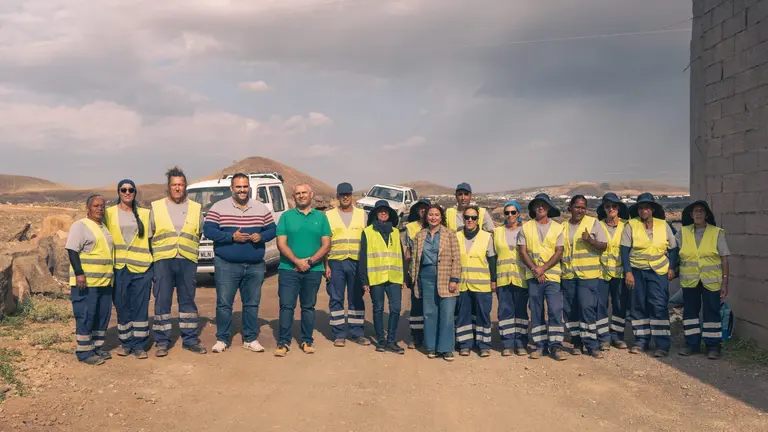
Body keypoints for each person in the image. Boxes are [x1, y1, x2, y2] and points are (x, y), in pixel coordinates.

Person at [204, 173, 276, 354]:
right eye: (238, 187)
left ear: (249, 188)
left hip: (254, 265)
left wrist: (262, 236)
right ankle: (222, 339)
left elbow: (273, 229)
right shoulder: (219, 207)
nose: (242, 190)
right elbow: (208, 230)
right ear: (232, 188)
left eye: (245, 187)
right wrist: (230, 237)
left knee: (251, 304)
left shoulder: (260, 208)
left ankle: (250, 338)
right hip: (226, 264)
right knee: (224, 303)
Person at [149, 166, 207, 357]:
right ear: (168, 187)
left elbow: (198, 232)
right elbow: (151, 235)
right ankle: (162, 341)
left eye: (181, 185)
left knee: (188, 301)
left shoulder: (196, 208)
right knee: (162, 302)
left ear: (185, 187)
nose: (177, 188)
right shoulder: (156, 207)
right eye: (174, 185)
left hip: (187, 260)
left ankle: (190, 339)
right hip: (163, 261)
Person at [274, 184, 332, 357]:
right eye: (298, 193)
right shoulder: (286, 217)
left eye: (304, 192)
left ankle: (307, 340)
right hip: (288, 269)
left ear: (311, 194)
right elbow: (281, 243)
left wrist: (310, 261)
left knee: (308, 307)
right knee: (286, 306)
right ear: (294, 196)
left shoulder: (321, 218)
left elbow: (326, 244)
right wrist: (297, 261)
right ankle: (283, 343)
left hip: (313, 270)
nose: (301, 196)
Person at [621, 192, 678, 357]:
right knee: (638, 306)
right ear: (637, 210)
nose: (643, 211)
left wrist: (672, 268)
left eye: (646, 207)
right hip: (637, 271)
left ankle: (662, 345)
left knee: (658, 306)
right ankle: (641, 341)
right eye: (640, 208)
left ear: (652, 209)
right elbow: (624, 251)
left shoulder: (663, 225)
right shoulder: (631, 225)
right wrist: (628, 273)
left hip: (658, 272)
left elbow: (673, 249)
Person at [104, 180, 152, 359]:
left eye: (130, 190)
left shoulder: (146, 215)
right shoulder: (109, 213)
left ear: (135, 192)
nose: (127, 192)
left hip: (141, 267)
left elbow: (151, 241)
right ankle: (126, 343)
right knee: (122, 306)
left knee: (140, 307)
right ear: (118, 192)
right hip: (119, 268)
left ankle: (139, 345)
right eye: (123, 190)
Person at [676, 200, 729, 360]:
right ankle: (692, 344)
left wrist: (725, 282)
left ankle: (713, 346)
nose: (698, 214)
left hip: (711, 281)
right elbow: (673, 252)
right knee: (690, 312)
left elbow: (724, 259)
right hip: (690, 280)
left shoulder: (716, 232)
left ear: (706, 214)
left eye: (701, 211)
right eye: (695, 211)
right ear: (691, 215)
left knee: (712, 312)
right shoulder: (682, 232)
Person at [65, 195, 114, 365]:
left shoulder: (104, 228)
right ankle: (84, 352)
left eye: (102, 205)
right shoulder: (80, 226)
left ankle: (97, 347)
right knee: (85, 316)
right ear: (88, 207)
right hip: (86, 283)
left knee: (102, 316)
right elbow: (72, 250)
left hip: (105, 282)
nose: (99, 208)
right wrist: (79, 272)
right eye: (96, 205)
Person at [409, 204, 461, 361]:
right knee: (429, 313)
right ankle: (431, 347)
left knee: (447, 313)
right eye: (430, 214)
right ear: (426, 217)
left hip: (446, 277)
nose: (433, 217)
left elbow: (457, 259)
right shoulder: (420, 235)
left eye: (436, 215)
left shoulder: (450, 234)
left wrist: (454, 279)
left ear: (441, 217)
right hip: (426, 277)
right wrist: (414, 278)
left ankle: (446, 349)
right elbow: (415, 260)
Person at [518, 193, 567, 361]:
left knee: (554, 310)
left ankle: (555, 346)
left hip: (552, 277)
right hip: (533, 277)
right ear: (532, 208)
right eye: (537, 205)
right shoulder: (525, 227)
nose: (540, 207)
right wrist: (535, 269)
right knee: (536, 311)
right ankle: (539, 346)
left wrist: (543, 268)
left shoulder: (558, 227)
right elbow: (522, 251)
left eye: (543, 205)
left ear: (549, 208)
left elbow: (559, 251)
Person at [560, 195, 607, 359]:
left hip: (588, 275)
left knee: (587, 308)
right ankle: (576, 342)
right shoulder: (563, 227)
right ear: (570, 208)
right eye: (577, 207)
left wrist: (591, 241)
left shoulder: (593, 223)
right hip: (568, 275)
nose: (580, 210)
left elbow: (604, 245)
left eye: (583, 207)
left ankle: (592, 344)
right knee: (570, 310)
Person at [358, 200, 407, 354]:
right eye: (380, 211)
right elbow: (363, 256)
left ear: (390, 214)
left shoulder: (395, 231)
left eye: (386, 211)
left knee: (396, 308)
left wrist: (404, 276)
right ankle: (380, 340)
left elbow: (401, 254)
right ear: (375, 214)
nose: (383, 213)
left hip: (394, 277)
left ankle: (391, 340)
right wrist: (364, 279)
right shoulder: (367, 232)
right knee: (378, 309)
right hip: (376, 277)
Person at [324, 182, 369, 347]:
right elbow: (324, 242)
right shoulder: (328, 216)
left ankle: (357, 332)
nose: (345, 197)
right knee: (336, 297)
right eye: (342, 195)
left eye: (348, 194)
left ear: (352, 196)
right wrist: (326, 265)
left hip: (356, 263)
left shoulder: (363, 215)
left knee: (356, 297)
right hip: (335, 262)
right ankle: (338, 334)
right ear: (337, 197)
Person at [455, 206, 497, 357]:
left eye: (473, 218)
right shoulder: (457, 236)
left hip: (482, 284)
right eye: (467, 217)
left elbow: (492, 261)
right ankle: (465, 344)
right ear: (463, 219)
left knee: (483, 315)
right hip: (463, 284)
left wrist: (493, 280)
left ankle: (483, 345)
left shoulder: (487, 237)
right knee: (463, 315)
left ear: (478, 220)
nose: (470, 220)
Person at [493, 201, 529, 357]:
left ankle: (520, 343)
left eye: (513, 212)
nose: (510, 215)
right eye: (507, 213)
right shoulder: (497, 232)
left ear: (518, 214)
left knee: (521, 311)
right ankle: (507, 343)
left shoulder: (525, 231)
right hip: (503, 279)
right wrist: (493, 279)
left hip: (521, 279)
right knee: (504, 311)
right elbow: (492, 258)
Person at [595, 193, 630, 350]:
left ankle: (617, 336)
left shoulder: (626, 226)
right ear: (604, 208)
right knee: (600, 305)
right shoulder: (597, 225)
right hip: (601, 272)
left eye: (614, 206)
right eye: (608, 206)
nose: (611, 209)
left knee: (619, 305)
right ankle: (603, 338)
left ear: (619, 208)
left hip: (620, 273)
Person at [404, 198, 431, 349]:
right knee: (416, 304)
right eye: (420, 208)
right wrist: (406, 274)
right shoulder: (410, 227)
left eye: (425, 208)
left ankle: (429, 335)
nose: (423, 211)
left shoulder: (436, 226)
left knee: (431, 304)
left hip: (432, 272)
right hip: (416, 271)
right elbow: (407, 252)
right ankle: (416, 336)